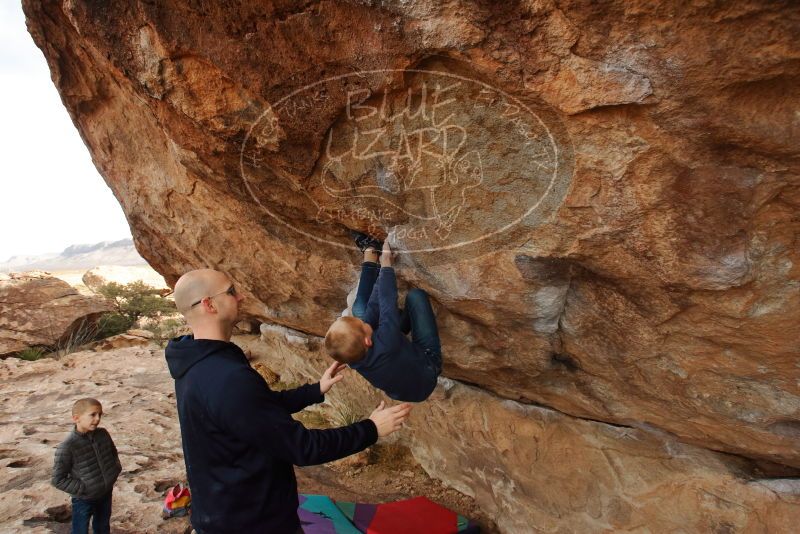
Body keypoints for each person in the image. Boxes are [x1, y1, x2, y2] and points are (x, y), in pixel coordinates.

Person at [165, 268, 411, 534]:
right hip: (254, 523)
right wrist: (372, 429)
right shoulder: (227, 377)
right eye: (232, 291)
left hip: (223, 511)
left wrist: (316, 390)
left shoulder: (196, 361)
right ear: (209, 304)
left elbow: (258, 409)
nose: (241, 296)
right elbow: (302, 447)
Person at [325, 237, 442, 402]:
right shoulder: (387, 340)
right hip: (428, 370)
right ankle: (371, 254)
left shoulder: (355, 358)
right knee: (416, 296)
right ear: (368, 341)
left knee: (362, 310)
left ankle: (370, 253)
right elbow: (387, 302)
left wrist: (382, 274)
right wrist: (386, 264)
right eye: (362, 325)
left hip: (402, 378)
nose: (363, 322)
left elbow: (373, 308)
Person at [52, 398, 122, 534]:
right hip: (83, 500)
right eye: (93, 414)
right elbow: (57, 479)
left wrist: (114, 472)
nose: (97, 419)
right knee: (80, 530)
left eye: (100, 414)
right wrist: (83, 488)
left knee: (103, 528)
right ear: (76, 418)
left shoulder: (103, 434)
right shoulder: (68, 446)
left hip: (105, 493)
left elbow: (113, 454)